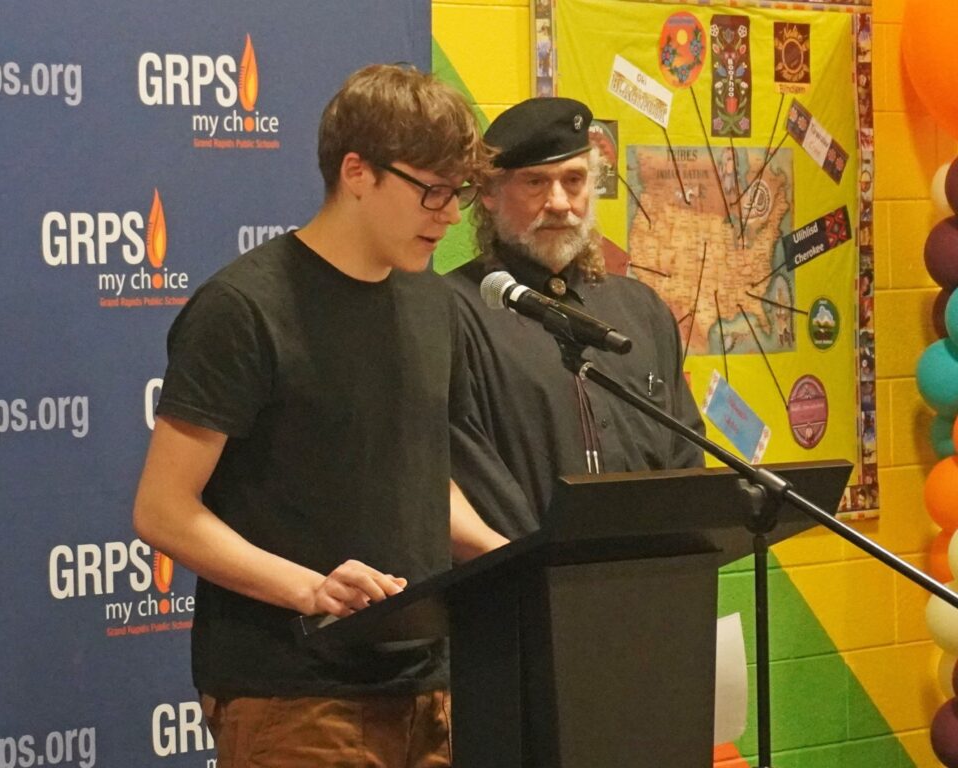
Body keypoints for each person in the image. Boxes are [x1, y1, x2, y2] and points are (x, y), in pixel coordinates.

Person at [133, 64, 507, 768]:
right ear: (357, 172)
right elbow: (163, 511)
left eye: (457, 193)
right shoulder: (244, 310)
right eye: (431, 191)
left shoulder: (434, 306)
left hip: (427, 689)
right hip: (292, 694)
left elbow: (420, 475)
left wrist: (503, 554)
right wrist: (311, 589)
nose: (450, 215)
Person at [448, 97, 705, 539]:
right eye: (535, 183)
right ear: (489, 194)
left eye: (574, 180)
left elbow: (685, 456)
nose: (560, 203)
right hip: (518, 586)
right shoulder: (453, 310)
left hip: (652, 581)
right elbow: (462, 471)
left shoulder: (642, 310)